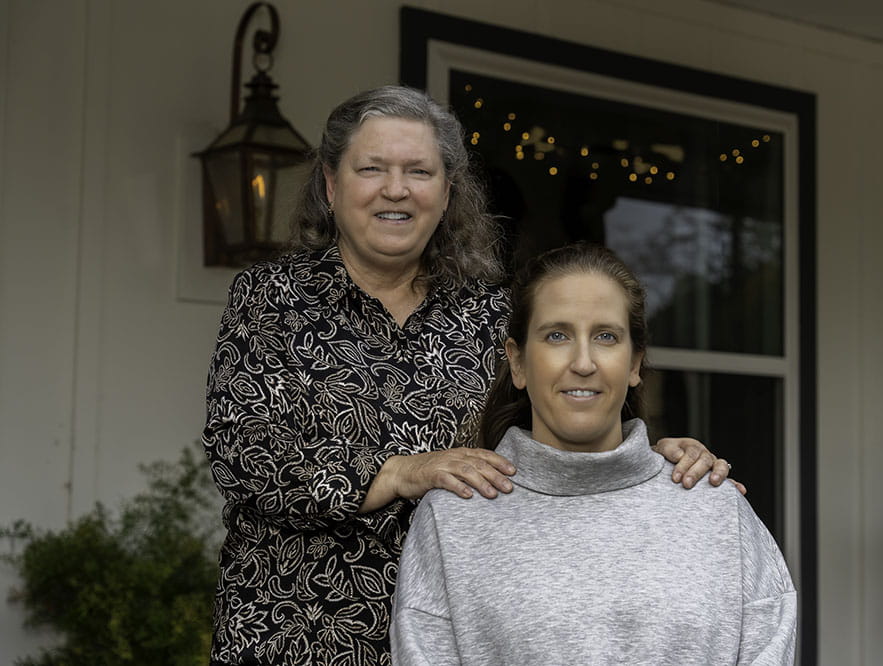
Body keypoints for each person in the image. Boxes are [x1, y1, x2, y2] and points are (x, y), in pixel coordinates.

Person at [202, 86, 734, 666]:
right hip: (296, 632)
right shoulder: (270, 299)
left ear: (447, 192)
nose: (396, 189)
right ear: (331, 186)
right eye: (372, 168)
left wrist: (655, 460)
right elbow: (243, 453)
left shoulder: (491, 315)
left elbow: (563, 424)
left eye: (419, 171)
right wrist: (402, 472)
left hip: (469, 632)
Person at [390, 242, 796, 665]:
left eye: (605, 336)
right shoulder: (453, 519)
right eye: (557, 335)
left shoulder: (716, 510)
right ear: (519, 363)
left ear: (635, 363)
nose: (583, 362)